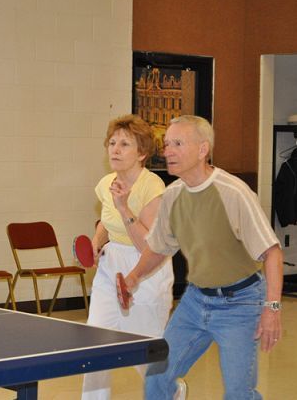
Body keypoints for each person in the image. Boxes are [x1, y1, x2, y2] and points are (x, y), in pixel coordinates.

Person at [122, 115, 283, 400]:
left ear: (202, 149)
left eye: (178, 143)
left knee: (238, 393)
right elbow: (159, 247)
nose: (168, 150)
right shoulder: (172, 196)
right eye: (167, 143)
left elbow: (271, 252)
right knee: (157, 376)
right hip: (196, 302)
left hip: (241, 303)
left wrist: (271, 309)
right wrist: (133, 277)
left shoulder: (233, 193)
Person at [82, 115, 174, 400]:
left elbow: (150, 245)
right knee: (95, 346)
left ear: (142, 153)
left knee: (145, 350)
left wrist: (124, 207)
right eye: (112, 143)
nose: (115, 149)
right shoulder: (106, 183)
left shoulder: (152, 187)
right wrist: (97, 242)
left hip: (146, 268)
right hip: (111, 269)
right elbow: (106, 223)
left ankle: (168, 391)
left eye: (124, 144)